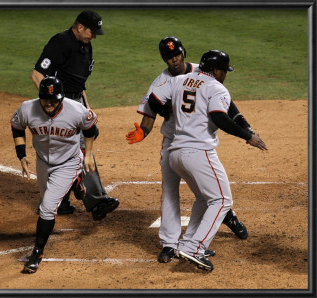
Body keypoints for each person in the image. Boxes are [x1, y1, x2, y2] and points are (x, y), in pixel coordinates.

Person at [126, 37, 253, 263]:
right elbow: (151, 108)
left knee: (206, 193)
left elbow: (226, 105)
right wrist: (145, 131)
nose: (174, 61)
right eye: (168, 58)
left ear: (183, 53)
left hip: (193, 141)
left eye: (177, 56)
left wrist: (245, 126)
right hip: (174, 141)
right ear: (163, 59)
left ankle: (219, 223)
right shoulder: (162, 80)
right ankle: (170, 243)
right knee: (172, 192)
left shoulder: (200, 71)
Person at [148, 49, 268, 271]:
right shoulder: (216, 87)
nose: (225, 75)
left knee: (204, 199)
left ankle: (186, 244)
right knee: (222, 200)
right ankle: (195, 248)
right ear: (216, 70)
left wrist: (169, 113)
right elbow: (219, 117)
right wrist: (247, 136)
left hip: (175, 153)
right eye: (224, 71)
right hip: (198, 153)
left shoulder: (179, 80)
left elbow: (154, 98)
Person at [30, 10, 119, 220]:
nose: (94, 36)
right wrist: (53, 105)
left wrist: (86, 109)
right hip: (61, 103)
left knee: (71, 149)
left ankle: (58, 201)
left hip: (76, 102)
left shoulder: (85, 46)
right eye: (91, 31)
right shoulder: (60, 42)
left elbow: (79, 83)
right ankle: (96, 201)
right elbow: (37, 75)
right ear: (79, 27)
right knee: (79, 150)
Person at [10, 76, 98, 273]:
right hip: (42, 162)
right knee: (45, 198)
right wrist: (21, 156)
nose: (49, 105)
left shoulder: (76, 110)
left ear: (61, 98)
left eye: (54, 101)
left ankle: (37, 253)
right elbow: (17, 128)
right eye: (45, 100)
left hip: (69, 162)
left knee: (46, 207)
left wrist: (88, 154)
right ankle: (76, 182)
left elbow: (91, 129)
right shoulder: (27, 109)